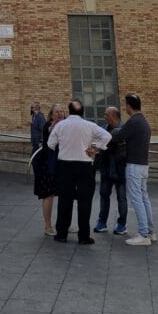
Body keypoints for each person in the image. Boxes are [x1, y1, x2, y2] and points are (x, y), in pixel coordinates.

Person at [48, 99, 111, 244]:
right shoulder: (89, 125)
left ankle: (62, 234)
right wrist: (95, 148)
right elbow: (107, 136)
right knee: (85, 201)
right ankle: (83, 236)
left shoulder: (61, 125)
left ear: (69, 111)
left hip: (65, 165)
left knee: (65, 200)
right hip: (85, 166)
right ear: (82, 111)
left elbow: (51, 144)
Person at [111, 93, 156, 246]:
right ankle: (150, 231)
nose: (125, 107)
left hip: (134, 166)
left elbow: (117, 137)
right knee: (144, 198)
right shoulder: (144, 121)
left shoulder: (134, 121)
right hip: (144, 165)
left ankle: (143, 233)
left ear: (129, 106)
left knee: (137, 199)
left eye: (125, 104)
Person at [93, 106, 128, 235]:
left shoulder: (125, 130)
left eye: (106, 115)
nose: (104, 117)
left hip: (120, 169)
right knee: (103, 195)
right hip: (106, 168)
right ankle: (102, 222)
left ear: (114, 116)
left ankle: (122, 224)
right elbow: (97, 143)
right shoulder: (103, 129)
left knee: (122, 198)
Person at [32, 102, 65, 235]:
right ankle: (48, 226)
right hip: (47, 164)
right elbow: (50, 131)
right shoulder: (49, 126)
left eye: (61, 111)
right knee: (48, 194)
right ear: (51, 115)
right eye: (56, 111)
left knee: (64, 194)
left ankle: (64, 223)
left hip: (61, 164)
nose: (59, 113)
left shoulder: (65, 125)